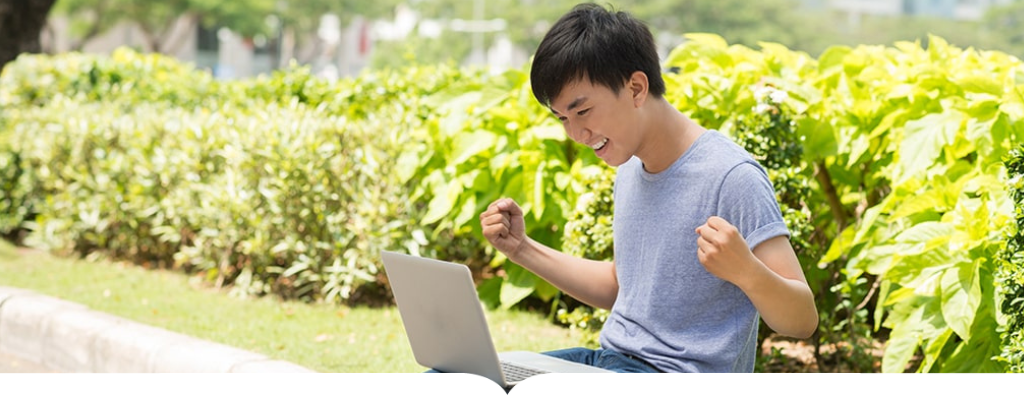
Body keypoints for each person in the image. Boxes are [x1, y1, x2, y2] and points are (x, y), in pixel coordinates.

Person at [479, 3, 818, 373]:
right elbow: (623, 288)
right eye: (562, 118)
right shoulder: (630, 165)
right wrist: (521, 249)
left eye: (582, 112)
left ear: (636, 88)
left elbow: (802, 320)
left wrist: (746, 271)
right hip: (611, 363)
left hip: (674, 380)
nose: (575, 134)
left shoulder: (731, 176)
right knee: (463, 379)